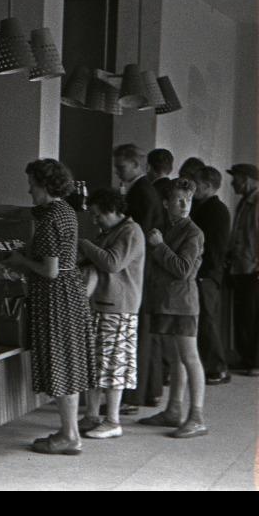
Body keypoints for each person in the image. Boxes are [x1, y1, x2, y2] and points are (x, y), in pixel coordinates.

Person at [6, 159, 96, 455]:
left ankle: (69, 435)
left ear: (44, 185)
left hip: (55, 298)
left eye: (32, 183)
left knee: (61, 362)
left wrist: (20, 262)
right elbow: (19, 211)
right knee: (69, 361)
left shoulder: (49, 221)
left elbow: (50, 270)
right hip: (69, 295)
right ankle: (68, 431)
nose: (28, 189)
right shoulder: (63, 210)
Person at [138, 178, 207, 438]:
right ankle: (174, 409)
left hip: (184, 304)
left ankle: (197, 416)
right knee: (176, 358)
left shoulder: (193, 232)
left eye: (188, 200)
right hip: (168, 303)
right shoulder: (167, 227)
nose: (184, 204)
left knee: (189, 357)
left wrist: (159, 246)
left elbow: (183, 269)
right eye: (179, 200)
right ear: (166, 203)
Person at [78, 189, 146, 439]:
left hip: (119, 308)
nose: (95, 220)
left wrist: (84, 244)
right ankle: (92, 415)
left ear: (113, 211)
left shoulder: (131, 231)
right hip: (102, 305)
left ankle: (113, 420)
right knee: (96, 363)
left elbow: (112, 263)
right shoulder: (111, 232)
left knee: (113, 365)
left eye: (98, 215)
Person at [113, 144, 165, 413]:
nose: (117, 171)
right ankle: (149, 391)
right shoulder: (142, 190)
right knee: (145, 331)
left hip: (140, 271)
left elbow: (136, 236)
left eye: (121, 167)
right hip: (146, 271)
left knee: (139, 332)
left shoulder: (142, 193)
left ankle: (134, 395)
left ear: (136, 165)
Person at [191, 167, 232, 385]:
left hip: (207, 274)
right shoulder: (208, 208)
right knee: (205, 320)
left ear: (207, 186)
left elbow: (215, 247)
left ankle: (217, 367)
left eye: (197, 183)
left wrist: (204, 274)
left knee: (207, 320)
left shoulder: (215, 210)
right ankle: (213, 366)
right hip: (207, 273)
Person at [225, 164, 259, 376]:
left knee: (253, 315)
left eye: (235, 178)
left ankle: (255, 361)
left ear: (246, 179)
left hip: (252, 268)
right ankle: (247, 358)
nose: (232, 183)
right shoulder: (245, 203)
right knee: (244, 315)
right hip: (242, 267)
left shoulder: (256, 202)